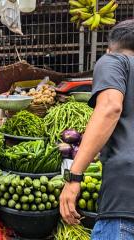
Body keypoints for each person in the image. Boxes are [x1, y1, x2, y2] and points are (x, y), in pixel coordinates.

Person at [59, 19, 134, 239]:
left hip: (124, 201)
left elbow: (110, 107)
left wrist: (74, 177)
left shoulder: (115, 61)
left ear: (110, 48)